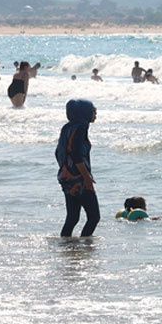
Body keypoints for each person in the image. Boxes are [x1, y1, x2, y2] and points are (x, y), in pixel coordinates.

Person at [56, 99, 98, 237]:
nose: (96, 112)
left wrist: (66, 170)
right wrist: (87, 178)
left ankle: (67, 246)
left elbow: (58, 153)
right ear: (84, 112)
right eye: (93, 109)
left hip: (67, 177)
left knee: (72, 218)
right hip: (79, 178)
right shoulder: (81, 128)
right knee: (94, 217)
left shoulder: (67, 127)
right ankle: (85, 247)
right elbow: (77, 155)